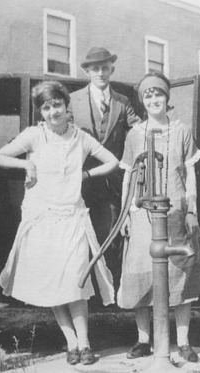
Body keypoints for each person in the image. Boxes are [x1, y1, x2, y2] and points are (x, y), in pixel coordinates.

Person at [0, 81, 117, 366]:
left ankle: (85, 343)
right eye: (46, 108)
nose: (52, 112)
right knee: (53, 284)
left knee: (76, 280)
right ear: (41, 111)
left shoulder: (81, 138)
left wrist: (86, 176)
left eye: (57, 105)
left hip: (73, 217)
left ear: (66, 105)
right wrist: (27, 164)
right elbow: (0, 157)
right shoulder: (34, 136)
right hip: (41, 219)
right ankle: (71, 342)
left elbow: (111, 160)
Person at [118, 72, 200, 362]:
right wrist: (126, 213)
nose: (154, 100)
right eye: (148, 96)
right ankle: (144, 340)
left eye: (159, 94)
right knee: (141, 275)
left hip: (176, 212)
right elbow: (128, 177)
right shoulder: (134, 134)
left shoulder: (181, 131)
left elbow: (189, 173)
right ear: (143, 102)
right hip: (142, 215)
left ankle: (183, 342)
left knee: (179, 275)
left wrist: (192, 210)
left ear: (167, 98)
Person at [68, 46, 140, 284]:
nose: (100, 73)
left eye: (105, 68)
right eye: (95, 68)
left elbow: (138, 129)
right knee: (77, 237)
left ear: (112, 69)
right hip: (79, 182)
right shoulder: (72, 100)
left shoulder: (122, 101)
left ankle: (105, 292)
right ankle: (81, 289)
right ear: (87, 71)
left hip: (111, 183)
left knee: (108, 234)